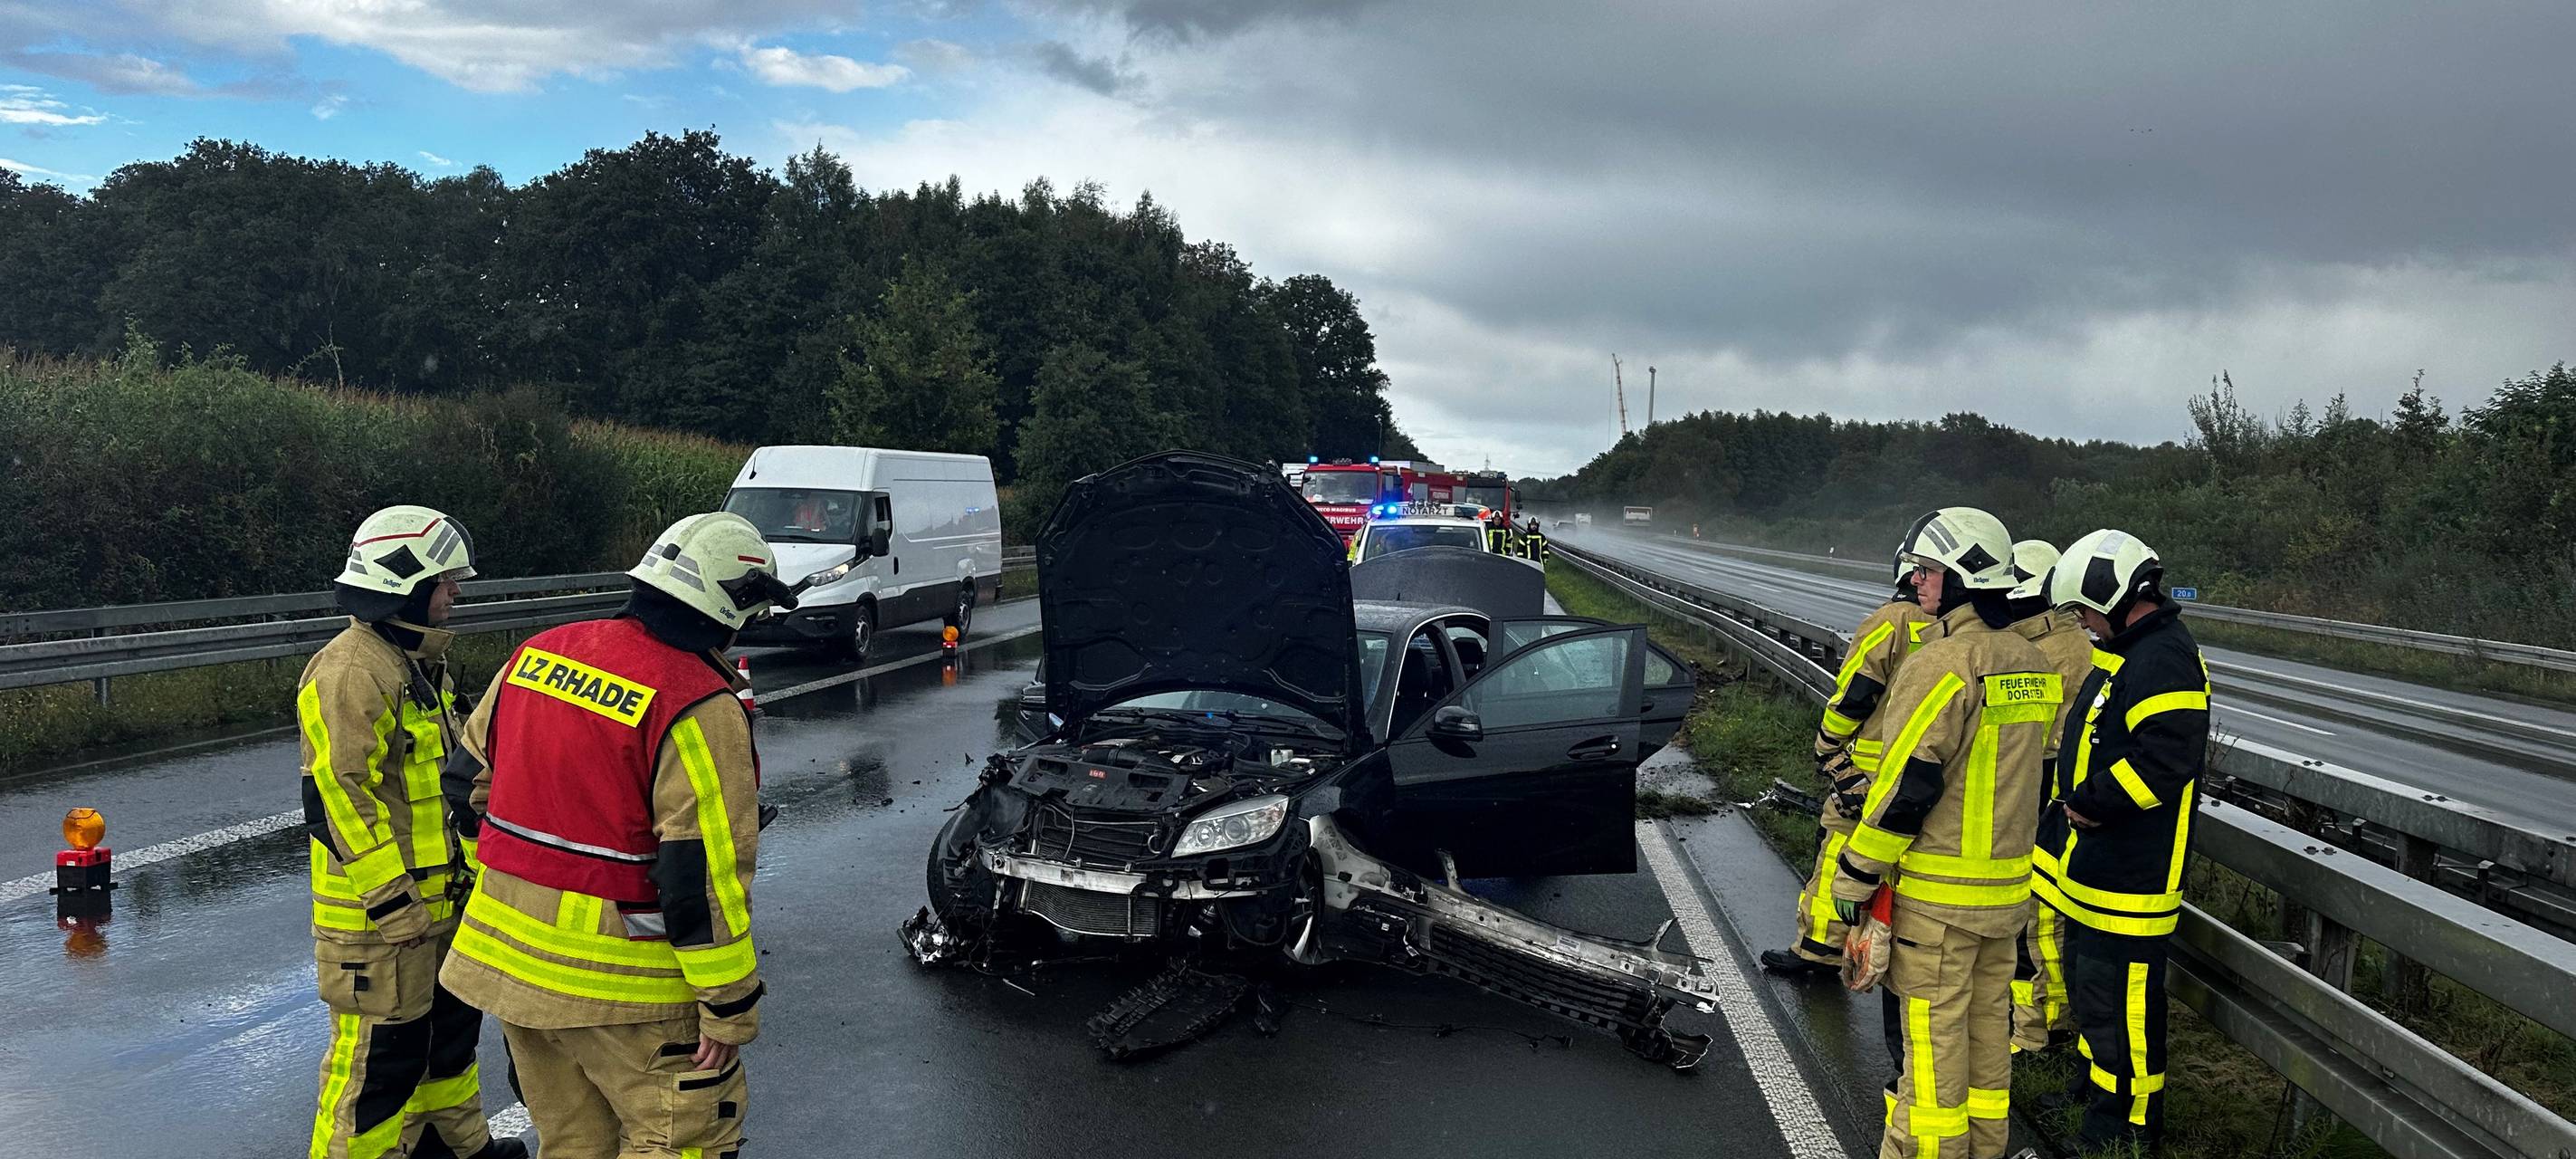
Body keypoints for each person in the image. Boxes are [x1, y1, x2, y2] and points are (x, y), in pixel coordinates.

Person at [442, 512, 786, 1159]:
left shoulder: (538, 653)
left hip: (511, 972)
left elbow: (464, 787)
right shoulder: (698, 703)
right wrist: (729, 1005)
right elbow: (699, 881)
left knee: (573, 1143)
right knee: (685, 1138)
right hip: (630, 993)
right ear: (729, 606)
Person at [1833, 507, 2060, 1159]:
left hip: (1938, 901)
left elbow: (1908, 789)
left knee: (1930, 1058)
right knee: (1989, 1042)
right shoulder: (2030, 662)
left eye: (1928, 573)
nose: (1919, 586)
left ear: (1960, 578)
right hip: (2004, 898)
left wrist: (1855, 876)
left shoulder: (1945, 663)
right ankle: (1986, 1151)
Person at [300, 505, 522, 1159]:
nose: (456, 593)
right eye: (447, 581)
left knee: (445, 1050)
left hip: (437, 910)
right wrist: (393, 902)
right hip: (380, 924)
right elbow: (338, 797)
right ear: (406, 586)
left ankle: (456, 1150)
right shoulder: (350, 671)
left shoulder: (415, 666)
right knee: (376, 1072)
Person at [2033, 531, 2209, 1152]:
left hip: (2133, 874)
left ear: (2111, 596)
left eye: (2084, 611)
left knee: (2126, 1004)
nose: (2082, 625)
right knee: (2093, 989)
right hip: (2099, 866)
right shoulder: (2130, 649)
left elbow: (2166, 759)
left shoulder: (2163, 656)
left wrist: (2089, 803)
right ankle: (2093, 1090)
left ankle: (2126, 1125)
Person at [1760, 542, 1933, 980]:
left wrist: (1827, 747)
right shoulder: (1954, 629)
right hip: (1930, 772)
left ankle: (1819, 949)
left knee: (1840, 853)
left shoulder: (1891, 621)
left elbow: (1856, 691)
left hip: (1870, 771)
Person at [1999, 541, 2097, 1055]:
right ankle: (2035, 1021)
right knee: (2038, 919)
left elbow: (2033, 737)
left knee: (2039, 920)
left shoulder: (2052, 651)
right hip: (2047, 790)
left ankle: (2040, 1029)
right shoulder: (2058, 641)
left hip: (2047, 793)